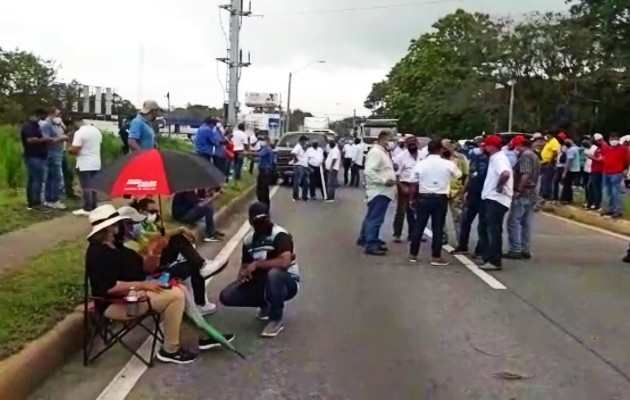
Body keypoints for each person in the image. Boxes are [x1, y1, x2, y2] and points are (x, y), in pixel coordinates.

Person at [85, 204, 234, 364]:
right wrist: (144, 286)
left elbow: (145, 269)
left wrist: (155, 252)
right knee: (175, 296)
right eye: (117, 224)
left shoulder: (118, 247)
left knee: (181, 289)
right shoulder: (98, 254)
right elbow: (110, 288)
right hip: (117, 303)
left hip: (135, 294)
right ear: (109, 228)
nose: (120, 227)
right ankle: (170, 349)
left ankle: (204, 335)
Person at [116, 206, 222, 315]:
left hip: (155, 266)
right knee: (192, 265)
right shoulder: (127, 247)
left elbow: (155, 236)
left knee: (179, 240)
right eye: (129, 223)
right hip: (150, 277)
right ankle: (200, 302)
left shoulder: (134, 235)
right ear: (119, 226)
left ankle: (201, 269)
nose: (133, 226)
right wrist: (156, 251)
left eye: (133, 223)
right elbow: (147, 268)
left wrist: (179, 230)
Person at [219, 202, 300, 338]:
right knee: (226, 296)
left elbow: (285, 262)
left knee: (274, 274)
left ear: (269, 218)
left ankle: (275, 319)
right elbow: (245, 265)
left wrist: (257, 265)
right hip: (261, 282)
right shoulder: (249, 240)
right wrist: (243, 274)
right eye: (257, 221)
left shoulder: (280, 235)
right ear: (251, 222)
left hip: (286, 282)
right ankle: (265, 304)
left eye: (264, 220)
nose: (262, 224)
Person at [408, 139, 462, 265]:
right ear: (441, 150)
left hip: (423, 197)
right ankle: (436, 257)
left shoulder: (421, 164)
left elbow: (413, 182)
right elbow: (458, 175)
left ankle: (413, 254)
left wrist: (412, 199)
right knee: (438, 228)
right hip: (440, 198)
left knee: (419, 226)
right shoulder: (448, 164)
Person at [357, 131, 396, 256]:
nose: (391, 142)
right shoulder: (376, 153)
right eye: (390, 140)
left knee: (372, 217)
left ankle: (367, 237)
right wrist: (384, 181)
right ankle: (371, 243)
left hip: (382, 191)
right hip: (380, 190)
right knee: (376, 218)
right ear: (383, 139)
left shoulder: (382, 152)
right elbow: (369, 171)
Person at [479, 135, 514, 271]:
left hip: (496, 199)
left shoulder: (499, 158)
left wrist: (499, 186)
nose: (485, 148)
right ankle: (488, 256)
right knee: (486, 228)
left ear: (492, 146)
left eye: (486, 145)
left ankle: (494, 260)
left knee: (492, 230)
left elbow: (505, 174)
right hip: (492, 198)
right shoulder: (496, 158)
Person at [452, 141, 489, 257]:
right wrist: (463, 192)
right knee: (465, 220)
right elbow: (469, 175)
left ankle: (480, 249)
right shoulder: (476, 159)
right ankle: (463, 245)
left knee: (483, 224)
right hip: (473, 194)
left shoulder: (493, 161)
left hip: (485, 196)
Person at [505, 139, 540, 260]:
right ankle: (525, 248)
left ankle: (515, 249)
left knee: (514, 221)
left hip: (524, 192)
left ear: (521, 145)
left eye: (517, 146)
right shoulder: (534, 155)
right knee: (526, 222)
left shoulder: (525, 155)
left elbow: (525, 173)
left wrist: (518, 190)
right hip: (532, 193)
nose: (516, 148)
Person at [68, 118, 102, 215]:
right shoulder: (96, 130)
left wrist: (69, 149)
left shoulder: (79, 133)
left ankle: (87, 207)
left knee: (86, 186)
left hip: (84, 163)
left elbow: (75, 149)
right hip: (96, 162)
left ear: (76, 122)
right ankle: (94, 205)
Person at [392, 135, 420, 243]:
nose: (412, 146)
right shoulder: (401, 157)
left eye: (414, 144)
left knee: (414, 211)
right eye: (410, 145)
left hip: (418, 185)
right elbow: (397, 175)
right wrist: (402, 187)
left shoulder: (423, 155)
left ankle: (413, 234)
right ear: (407, 145)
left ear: (417, 144)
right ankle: (397, 234)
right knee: (401, 210)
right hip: (405, 184)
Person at [21, 108, 50, 210]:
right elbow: (30, 140)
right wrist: (45, 139)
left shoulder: (35, 126)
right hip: (33, 156)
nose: (40, 119)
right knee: (37, 180)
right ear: (35, 115)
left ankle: (32, 202)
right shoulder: (29, 126)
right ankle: (35, 203)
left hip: (37, 156)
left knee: (32, 179)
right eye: (40, 117)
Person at [41, 108, 70, 209]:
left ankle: (49, 199)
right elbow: (45, 140)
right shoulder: (47, 125)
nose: (59, 117)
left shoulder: (57, 125)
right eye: (57, 115)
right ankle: (54, 199)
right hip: (51, 155)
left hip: (58, 153)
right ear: (51, 114)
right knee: (56, 178)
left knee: (52, 178)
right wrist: (61, 138)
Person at [601, 133, 629, 218]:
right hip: (606, 172)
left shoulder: (623, 149)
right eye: (611, 138)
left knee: (615, 192)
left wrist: (626, 169)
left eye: (615, 138)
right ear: (609, 139)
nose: (613, 140)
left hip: (616, 173)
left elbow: (627, 160)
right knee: (607, 192)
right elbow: (605, 158)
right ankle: (610, 209)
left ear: (618, 139)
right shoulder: (607, 149)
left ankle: (617, 210)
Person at [244, 135, 275, 209]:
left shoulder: (267, 149)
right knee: (261, 189)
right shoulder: (264, 149)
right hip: (263, 171)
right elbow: (258, 159)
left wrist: (247, 153)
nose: (261, 142)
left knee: (263, 190)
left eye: (263, 140)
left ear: (267, 141)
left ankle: (264, 206)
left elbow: (258, 154)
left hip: (265, 171)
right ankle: (263, 206)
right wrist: (249, 157)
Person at [585, 133, 607, 210]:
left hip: (598, 170)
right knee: (591, 186)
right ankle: (591, 202)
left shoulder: (604, 147)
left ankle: (597, 204)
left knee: (596, 187)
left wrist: (592, 158)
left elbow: (602, 159)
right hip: (594, 169)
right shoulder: (599, 147)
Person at [539, 131, 562, 202]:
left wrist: (551, 162)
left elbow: (556, 153)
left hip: (549, 164)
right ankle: (542, 194)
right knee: (543, 179)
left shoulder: (554, 142)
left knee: (547, 180)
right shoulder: (549, 142)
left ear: (550, 134)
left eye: (547, 134)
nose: (546, 136)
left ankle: (547, 196)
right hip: (543, 163)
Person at [560, 137, 580, 204]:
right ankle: (569, 199)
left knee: (567, 184)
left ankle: (565, 199)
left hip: (571, 169)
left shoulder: (571, 150)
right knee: (568, 184)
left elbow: (568, 162)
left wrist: (564, 172)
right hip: (575, 169)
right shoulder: (574, 148)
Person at [291, 135, 310, 201]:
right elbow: (293, 153)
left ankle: (304, 196)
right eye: (306, 141)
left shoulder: (303, 147)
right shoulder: (298, 146)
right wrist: (296, 159)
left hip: (305, 166)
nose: (307, 142)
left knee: (306, 182)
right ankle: (295, 196)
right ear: (302, 141)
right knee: (297, 181)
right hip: (299, 166)